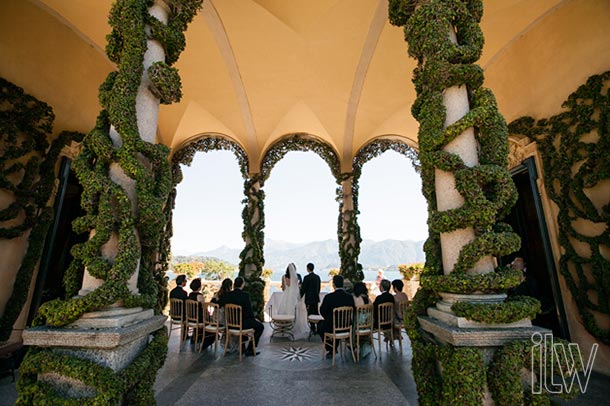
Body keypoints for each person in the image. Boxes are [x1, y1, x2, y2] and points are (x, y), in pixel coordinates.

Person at [219, 276, 264, 356]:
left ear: (234, 285)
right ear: (242, 285)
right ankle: (250, 349)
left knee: (248, 322)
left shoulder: (227, 295)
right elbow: (249, 312)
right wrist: (254, 320)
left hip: (229, 325)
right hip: (242, 324)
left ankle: (243, 347)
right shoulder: (245, 296)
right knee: (260, 327)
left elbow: (218, 304)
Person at [318, 275, 355, 358]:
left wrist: (328, 317)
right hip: (347, 327)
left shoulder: (329, 297)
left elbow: (322, 311)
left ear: (333, 284)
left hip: (332, 326)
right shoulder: (349, 297)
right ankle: (333, 346)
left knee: (320, 326)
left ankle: (331, 348)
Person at [276, 263, 308, 339]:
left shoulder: (284, 277)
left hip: (286, 295)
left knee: (284, 311)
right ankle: (294, 328)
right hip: (294, 296)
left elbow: (283, 288)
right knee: (295, 311)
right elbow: (298, 287)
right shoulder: (296, 277)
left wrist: (287, 289)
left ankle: (284, 328)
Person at [300, 262, 321, 333]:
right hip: (315, 298)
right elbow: (319, 288)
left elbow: (303, 289)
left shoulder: (306, 278)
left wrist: (300, 296)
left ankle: (313, 328)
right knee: (316, 312)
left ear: (308, 269)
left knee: (310, 314)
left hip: (309, 299)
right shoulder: (317, 277)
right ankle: (318, 327)